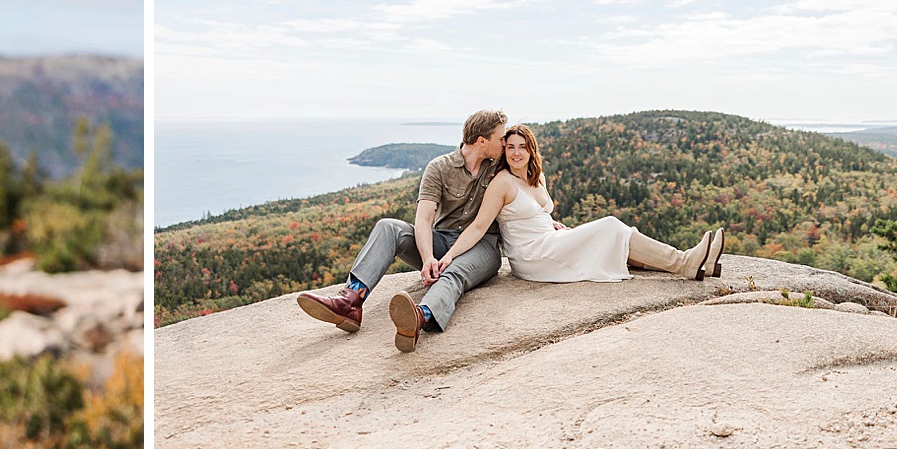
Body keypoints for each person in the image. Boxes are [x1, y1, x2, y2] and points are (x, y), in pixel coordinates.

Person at [297, 109, 509, 352]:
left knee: (454, 270)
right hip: (441, 241)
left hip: (482, 247)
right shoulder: (439, 168)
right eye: (501, 137)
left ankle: (421, 316)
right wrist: (428, 257)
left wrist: (545, 220)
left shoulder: (500, 167)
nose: (504, 143)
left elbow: (531, 179)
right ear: (482, 141)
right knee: (388, 227)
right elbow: (424, 218)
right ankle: (351, 302)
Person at [457, 123, 725, 296]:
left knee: (618, 236)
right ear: (504, 152)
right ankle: (685, 262)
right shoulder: (501, 182)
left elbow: (533, 213)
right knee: (610, 226)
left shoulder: (538, 177)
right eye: (511, 148)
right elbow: (479, 226)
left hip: (549, 240)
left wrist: (550, 222)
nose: (516, 153)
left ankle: (705, 266)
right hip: (532, 256)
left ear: (531, 150)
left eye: (522, 147)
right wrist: (448, 258)